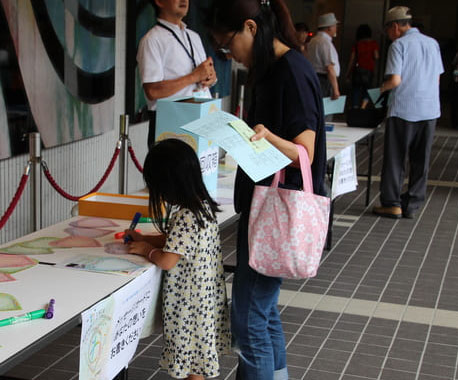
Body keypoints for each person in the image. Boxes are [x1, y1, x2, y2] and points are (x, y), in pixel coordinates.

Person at [208, 0, 326, 378]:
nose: (231, 56)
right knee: (261, 311)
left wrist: (264, 136)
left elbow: (303, 153)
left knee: (248, 318)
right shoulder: (271, 69)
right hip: (264, 206)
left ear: (250, 28)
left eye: (229, 45)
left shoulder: (291, 71)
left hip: (276, 210)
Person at [125, 139, 231, 379]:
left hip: (189, 305)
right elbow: (177, 242)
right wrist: (144, 238)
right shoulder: (201, 206)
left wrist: (145, 250)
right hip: (204, 299)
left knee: (192, 365)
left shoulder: (186, 216)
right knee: (197, 361)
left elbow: (167, 261)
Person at [372, 6, 443, 219]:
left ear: (394, 26)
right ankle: (412, 204)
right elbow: (438, 77)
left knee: (395, 159)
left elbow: (394, 80)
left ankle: (392, 203)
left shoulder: (399, 45)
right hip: (430, 109)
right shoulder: (433, 43)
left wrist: (377, 92)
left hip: (404, 109)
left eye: (387, 30)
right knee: (421, 159)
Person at [137, 0, 217, 148]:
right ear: (159, 2)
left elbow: (203, 74)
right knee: (172, 170)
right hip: (170, 123)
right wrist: (194, 76)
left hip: (203, 119)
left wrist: (210, 78)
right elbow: (152, 91)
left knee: (200, 171)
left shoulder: (194, 36)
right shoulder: (152, 40)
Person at [307, 12, 341, 100]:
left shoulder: (312, 41)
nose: (336, 28)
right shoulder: (325, 42)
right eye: (335, 26)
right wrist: (335, 89)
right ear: (329, 27)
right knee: (326, 110)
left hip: (313, 78)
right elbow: (329, 68)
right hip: (324, 81)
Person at [345, 24, 379, 108]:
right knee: (367, 90)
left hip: (358, 70)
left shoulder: (357, 44)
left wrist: (348, 74)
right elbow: (376, 56)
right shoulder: (373, 43)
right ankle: (363, 107)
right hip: (369, 70)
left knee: (356, 90)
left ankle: (355, 107)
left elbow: (352, 60)